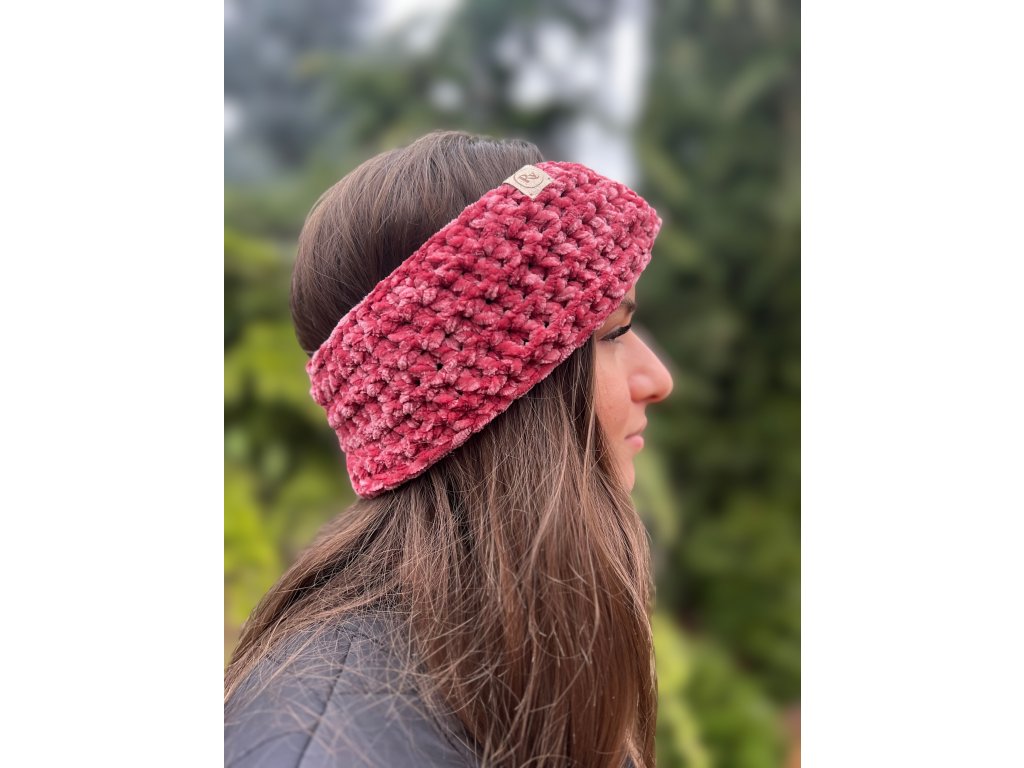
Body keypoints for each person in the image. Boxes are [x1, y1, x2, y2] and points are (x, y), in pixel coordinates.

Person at [224, 130, 674, 768]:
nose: (658, 378)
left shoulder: (527, 647)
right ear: (481, 388)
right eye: (614, 333)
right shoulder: (330, 747)